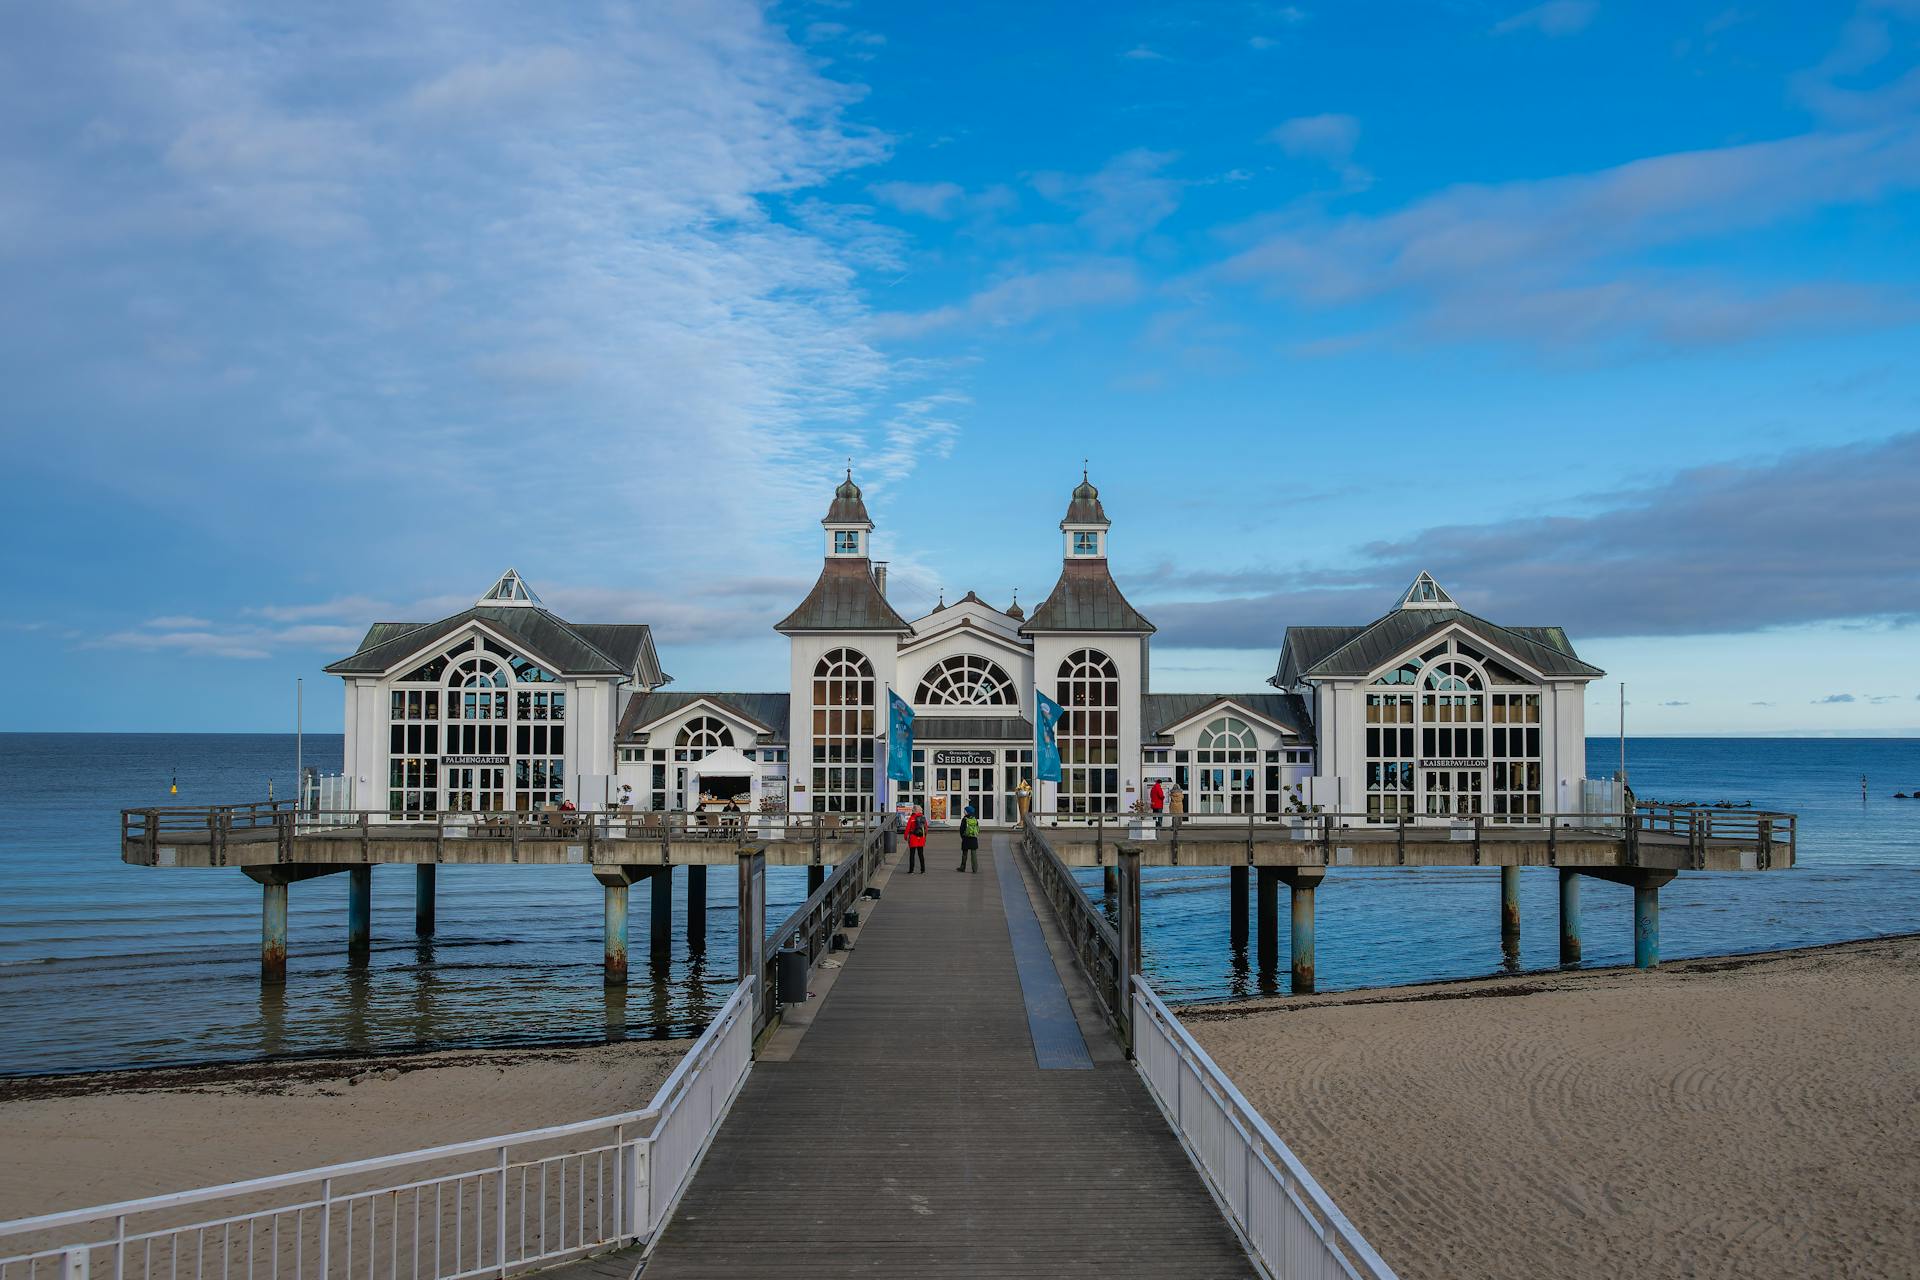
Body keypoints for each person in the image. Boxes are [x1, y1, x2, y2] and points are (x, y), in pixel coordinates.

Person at [903, 805, 927, 873]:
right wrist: (924, 838)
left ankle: (911, 870)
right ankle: (923, 870)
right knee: (921, 854)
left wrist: (905, 837)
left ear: (914, 810)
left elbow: (907, 828)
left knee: (912, 854)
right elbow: (926, 829)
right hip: (921, 838)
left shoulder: (912, 818)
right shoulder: (923, 818)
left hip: (913, 838)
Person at [957, 803, 980, 872]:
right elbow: (978, 829)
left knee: (964, 853)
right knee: (974, 854)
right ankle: (975, 868)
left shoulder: (965, 819)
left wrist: (962, 837)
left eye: (965, 811)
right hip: (973, 838)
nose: (964, 812)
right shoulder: (975, 819)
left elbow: (962, 829)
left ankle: (962, 867)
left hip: (966, 838)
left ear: (968, 812)